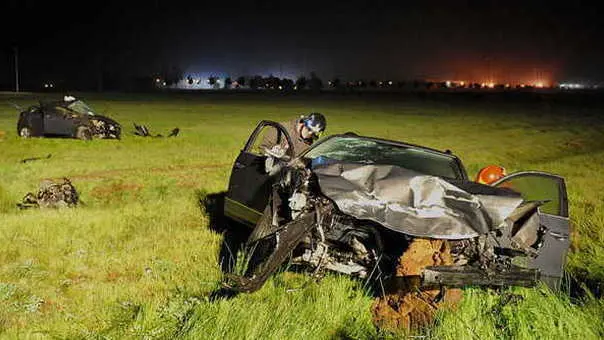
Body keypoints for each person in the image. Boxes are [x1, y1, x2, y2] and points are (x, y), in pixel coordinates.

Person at [259, 112, 327, 159]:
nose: (309, 134)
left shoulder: (308, 142)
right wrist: (272, 150)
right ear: (303, 123)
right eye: (308, 129)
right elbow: (263, 148)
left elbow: (301, 161)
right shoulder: (281, 129)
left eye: (313, 133)